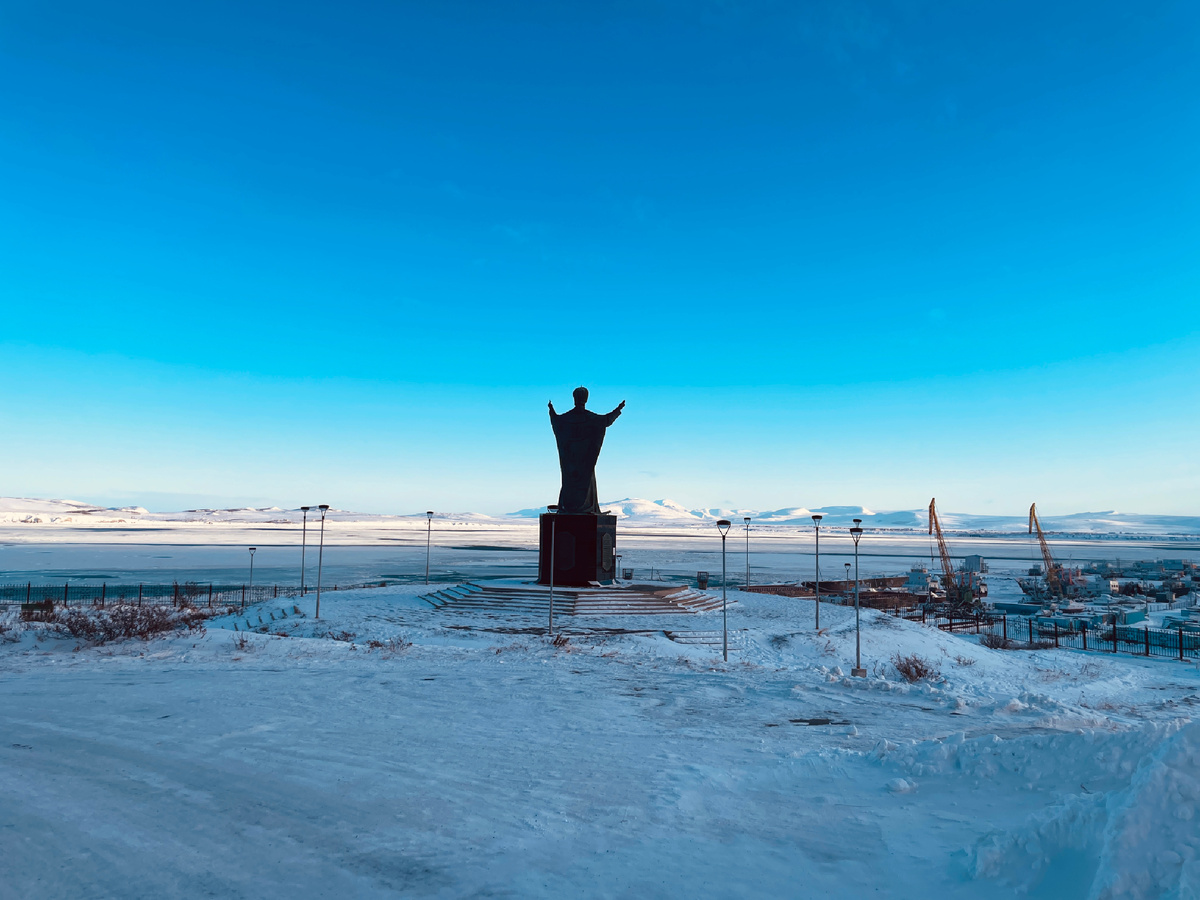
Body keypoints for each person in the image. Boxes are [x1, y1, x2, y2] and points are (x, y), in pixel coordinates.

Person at [548, 387, 624, 515]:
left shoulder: (566, 418)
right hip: (585, 459)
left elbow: (556, 421)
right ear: (586, 399)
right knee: (587, 481)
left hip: (570, 458)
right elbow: (606, 420)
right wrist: (618, 410)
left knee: (569, 482)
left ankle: (568, 506)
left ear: (574, 398)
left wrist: (552, 411)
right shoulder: (590, 418)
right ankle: (587, 507)